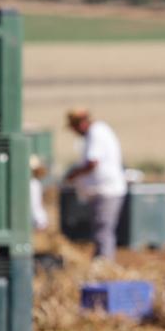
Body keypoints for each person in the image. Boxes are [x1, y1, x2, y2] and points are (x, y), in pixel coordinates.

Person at [63, 107, 127, 259]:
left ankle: (104, 263)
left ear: (81, 124)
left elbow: (92, 162)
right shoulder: (94, 133)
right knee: (100, 229)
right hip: (101, 190)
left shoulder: (96, 132)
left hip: (107, 189)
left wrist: (73, 175)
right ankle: (101, 260)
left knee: (103, 229)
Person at [28, 155, 49, 231]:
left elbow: (34, 206)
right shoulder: (35, 183)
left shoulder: (33, 184)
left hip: (36, 222)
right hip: (38, 220)